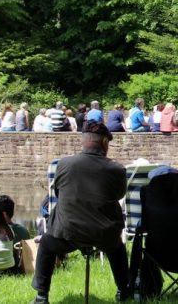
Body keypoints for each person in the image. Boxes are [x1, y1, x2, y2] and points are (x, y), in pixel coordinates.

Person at [31, 121, 130, 304]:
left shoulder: (64, 164)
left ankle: (41, 296)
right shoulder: (116, 169)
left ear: (83, 141)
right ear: (105, 143)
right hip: (103, 233)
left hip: (67, 232)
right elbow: (119, 195)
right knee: (117, 249)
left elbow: (59, 193)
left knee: (46, 244)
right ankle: (123, 290)